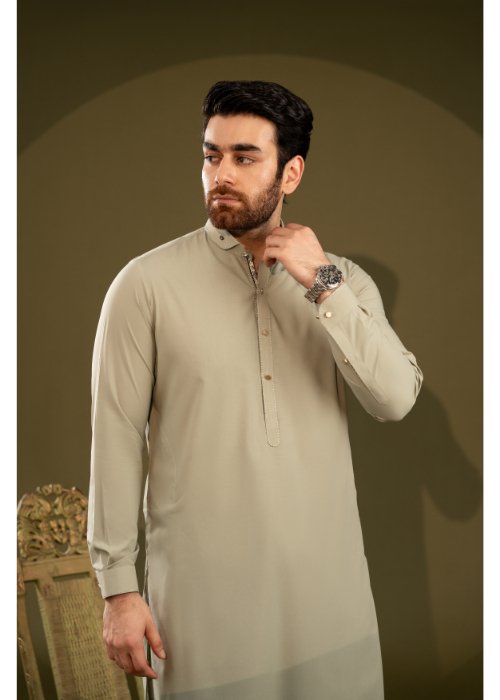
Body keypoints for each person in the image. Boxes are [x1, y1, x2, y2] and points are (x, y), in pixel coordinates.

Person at [88, 80, 423, 700]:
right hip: (201, 610)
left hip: (331, 602)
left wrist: (321, 283)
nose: (221, 173)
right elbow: (116, 436)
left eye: (245, 157)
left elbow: (395, 399)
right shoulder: (144, 285)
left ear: (290, 173)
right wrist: (118, 588)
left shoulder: (343, 281)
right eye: (211, 155)